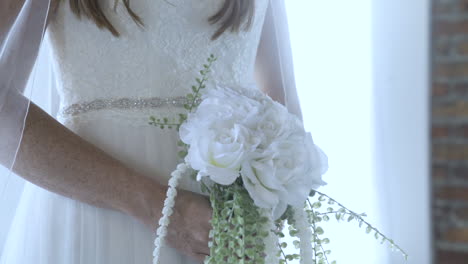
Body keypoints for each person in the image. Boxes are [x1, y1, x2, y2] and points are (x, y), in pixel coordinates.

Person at [0, 0, 301, 263]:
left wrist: (265, 209)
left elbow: (283, 115)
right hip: (95, 224)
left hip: (219, 235)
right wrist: (159, 208)